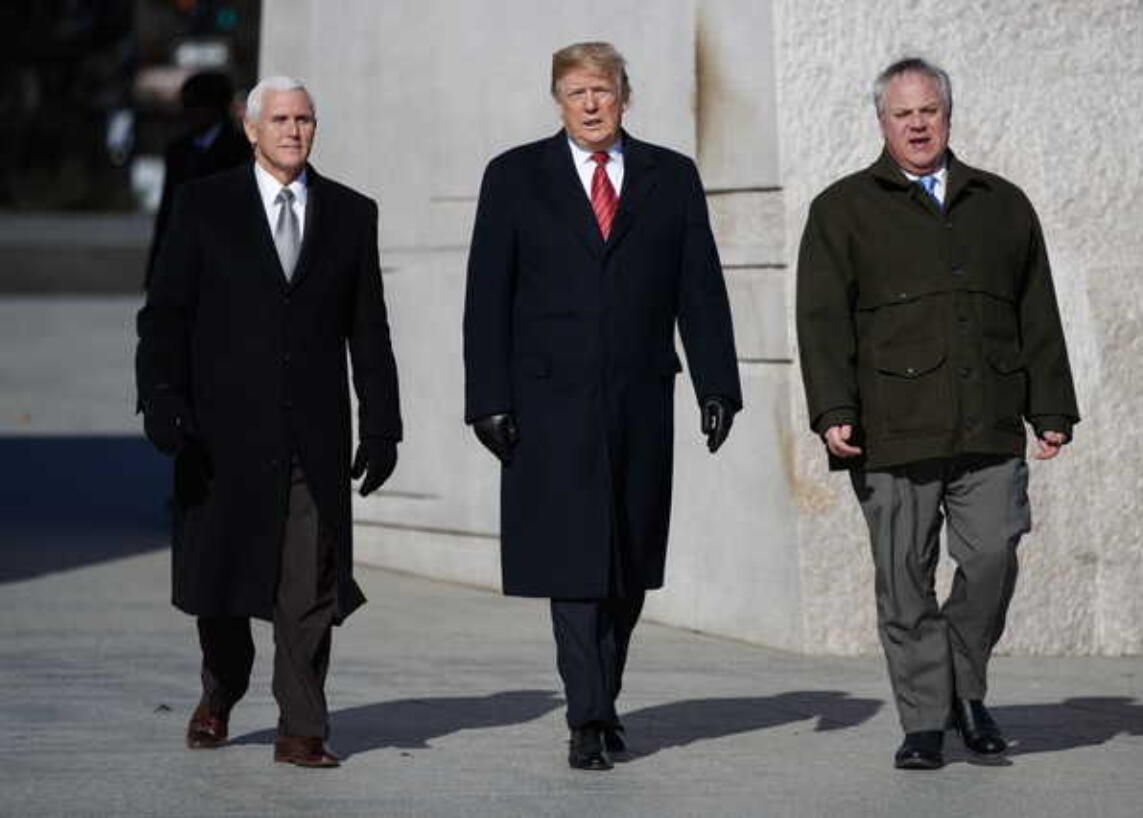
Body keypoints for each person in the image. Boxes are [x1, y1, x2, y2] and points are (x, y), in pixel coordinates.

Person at [463, 42, 742, 771]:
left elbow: (700, 287)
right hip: (547, 403)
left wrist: (718, 384)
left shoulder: (670, 177)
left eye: (604, 91)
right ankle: (586, 716)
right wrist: (486, 399)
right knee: (573, 563)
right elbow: (485, 298)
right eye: (576, 91)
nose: (591, 105)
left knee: (629, 561)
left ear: (626, 95)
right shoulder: (514, 176)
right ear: (557, 99)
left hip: (641, 396)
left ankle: (603, 694)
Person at [795, 57, 1079, 770]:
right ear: (881, 122)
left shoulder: (1002, 204)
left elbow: (1037, 311)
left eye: (930, 111)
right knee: (904, 581)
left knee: (990, 560)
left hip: (988, 420)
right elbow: (821, 321)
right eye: (903, 113)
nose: (918, 124)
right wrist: (833, 409)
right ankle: (928, 722)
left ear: (948, 116)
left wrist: (1051, 408)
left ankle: (960, 689)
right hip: (889, 431)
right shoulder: (841, 209)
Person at [136, 76, 402, 768]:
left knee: (309, 583)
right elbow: (164, 316)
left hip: (311, 434)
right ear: (251, 130)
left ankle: (302, 727)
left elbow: (368, 331)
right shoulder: (204, 206)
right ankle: (221, 690)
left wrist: (383, 426)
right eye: (279, 119)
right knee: (220, 586)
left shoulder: (350, 213)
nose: (293, 130)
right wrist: (162, 399)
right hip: (218, 434)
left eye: (305, 119)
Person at [145, 70, 250, 290]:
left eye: (194, 106)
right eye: (185, 105)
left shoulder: (240, 150)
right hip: (183, 251)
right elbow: (167, 208)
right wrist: (154, 270)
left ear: (215, 109)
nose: (187, 113)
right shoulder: (179, 151)